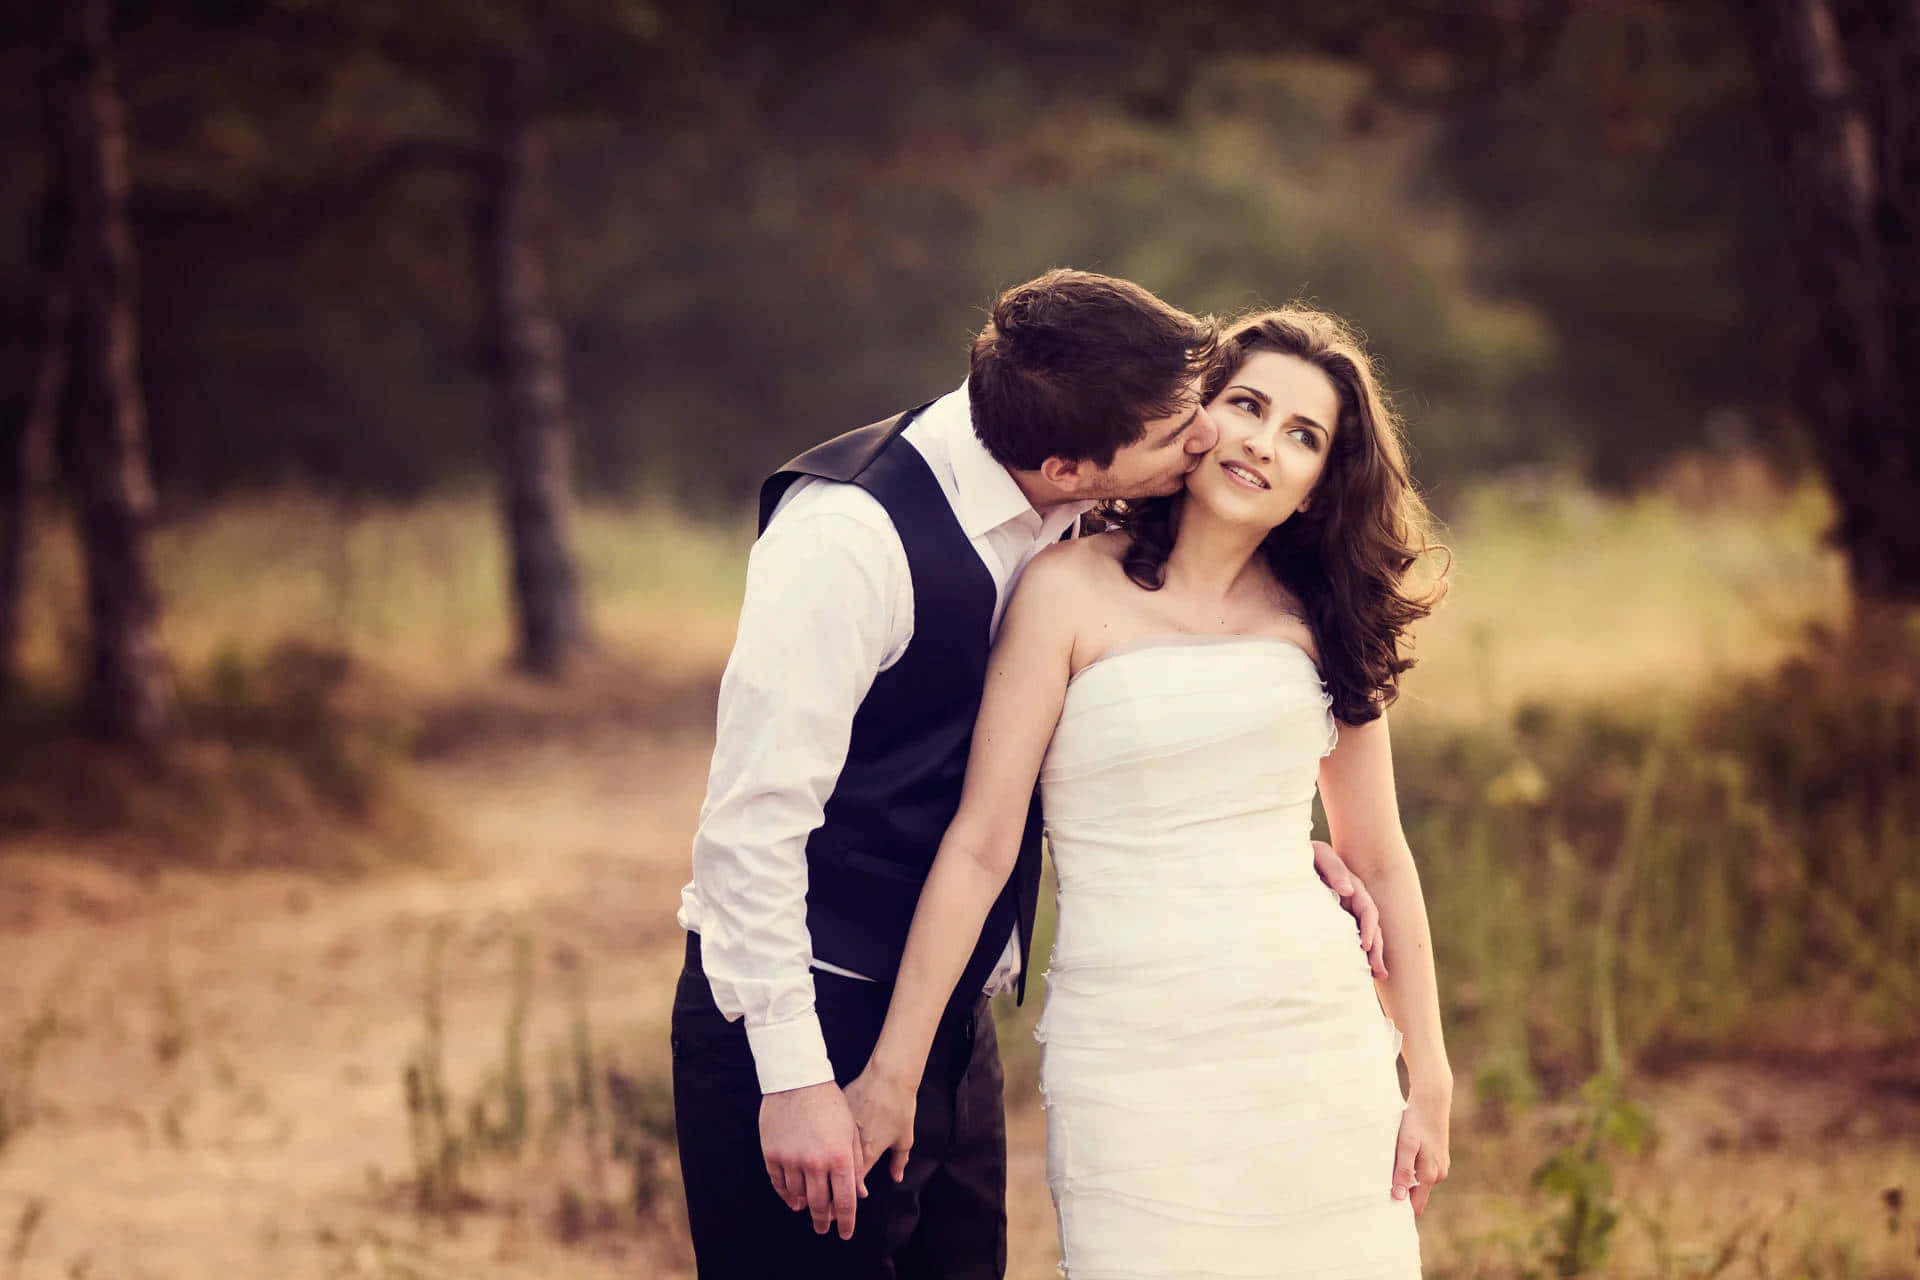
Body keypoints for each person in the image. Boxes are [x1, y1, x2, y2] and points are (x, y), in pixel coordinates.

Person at [671, 272, 1387, 1279]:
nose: (1206, 443)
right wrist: (791, 1076)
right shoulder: (849, 538)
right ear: (1067, 466)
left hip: (950, 1011)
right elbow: (750, 827)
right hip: (806, 1005)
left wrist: (1248, 838)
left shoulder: (1081, 482)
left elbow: (1105, 726)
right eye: (1178, 433)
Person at [844, 305, 1453, 1278]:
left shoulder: (1326, 620)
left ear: (1316, 488)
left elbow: (1377, 853)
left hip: (1312, 1032)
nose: (1262, 442)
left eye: (1303, 436)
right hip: (1128, 1041)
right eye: (1246, 405)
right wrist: (893, 1067)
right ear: (1194, 417)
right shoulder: (1064, 589)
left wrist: (1429, 1070)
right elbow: (983, 842)